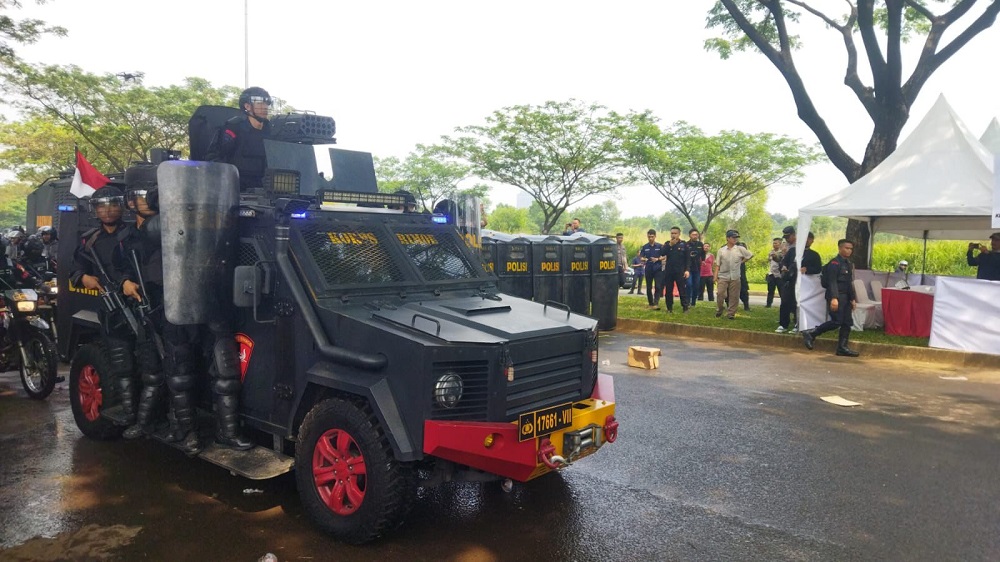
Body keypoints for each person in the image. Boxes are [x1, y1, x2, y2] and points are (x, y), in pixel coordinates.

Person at [68, 186, 140, 430]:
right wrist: (84, 278)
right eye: (102, 206)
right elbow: (75, 269)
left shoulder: (133, 234)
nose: (108, 210)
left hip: (138, 304)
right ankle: (130, 415)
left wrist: (128, 282)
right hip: (111, 310)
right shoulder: (89, 239)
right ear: (95, 210)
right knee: (122, 365)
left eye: (112, 205)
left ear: (121, 207)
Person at [205, 86, 273, 190]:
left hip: (266, 190)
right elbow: (213, 158)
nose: (265, 107)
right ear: (247, 106)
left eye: (266, 103)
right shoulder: (233, 129)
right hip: (236, 190)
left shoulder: (272, 130)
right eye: (260, 103)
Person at [802, 239, 860, 357]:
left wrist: (853, 299)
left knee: (847, 323)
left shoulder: (848, 264)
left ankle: (842, 348)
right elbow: (832, 281)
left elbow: (849, 283)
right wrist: (834, 298)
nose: (849, 251)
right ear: (840, 248)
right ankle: (812, 333)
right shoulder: (834, 263)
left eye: (851, 249)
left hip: (846, 297)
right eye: (846, 248)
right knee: (836, 321)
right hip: (836, 296)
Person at [714, 230, 753, 320]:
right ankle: (720, 309)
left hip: (735, 276)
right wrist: (715, 276)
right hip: (723, 275)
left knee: (734, 296)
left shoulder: (740, 249)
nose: (735, 239)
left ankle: (731, 313)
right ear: (728, 238)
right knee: (720, 294)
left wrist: (742, 262)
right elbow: (717, 264)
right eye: (733, 237)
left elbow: (750, 255)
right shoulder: (721, 250)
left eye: (736, 237)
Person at [662, 226, 690, 313]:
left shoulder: (684, 244)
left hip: (680, 271)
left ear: (679, 234)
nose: (673, 235)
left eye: (675, 233)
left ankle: (685, 307)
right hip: (669, 271)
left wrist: (687, 270)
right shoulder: (667, 244)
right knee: (669, 290)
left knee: (682, 290)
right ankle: (669, 308)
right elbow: (662, 253)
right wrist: (670, 245)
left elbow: (688, 259)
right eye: (672, 233)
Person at [776, 226, 798, 333]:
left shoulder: (799, 246)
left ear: (794, 235)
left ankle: (797, 323)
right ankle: (783, 324)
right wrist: (783, 265)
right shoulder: (786, 246)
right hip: (786, 277)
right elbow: (781, 260)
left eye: (788, 236)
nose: (787, 239)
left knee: (795, 302)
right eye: (785, 237)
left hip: (797, 278)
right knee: (785, 301)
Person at [639, 229, 665, 310]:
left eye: (652, 237)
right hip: (649, 269)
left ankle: (656, 302)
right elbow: (641, 257)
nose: (650, 238)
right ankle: (650, 303)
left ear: (655, 236)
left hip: (658, 269)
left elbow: (664, 256)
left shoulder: (660, 246)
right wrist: (644, 259)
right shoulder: (645, 247)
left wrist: (658, 259)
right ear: (647, 236)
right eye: (649, 236)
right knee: (649, 287)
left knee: (658, 286)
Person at [686, 229, 704, 308]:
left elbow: (703, 254)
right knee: (689, 284)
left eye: (696, 235)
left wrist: (702, 260)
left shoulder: (700, 244)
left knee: (696, 285)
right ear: (690, 235)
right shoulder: (686, 244)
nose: (695, 236)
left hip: (697, 268)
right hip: (688, 268)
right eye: (693, 235)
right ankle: (687, 301)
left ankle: (693, 302)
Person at [766, 238, 783, 308]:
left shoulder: (782, 252)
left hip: (779, 274)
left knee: (781, 291)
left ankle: (784, 304)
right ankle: (768, 304)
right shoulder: (771, 252)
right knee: (770, 290)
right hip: (771, 273)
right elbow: (769, 261)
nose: (774, 244)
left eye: (776, 243)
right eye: (773, 243)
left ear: (780, 244)